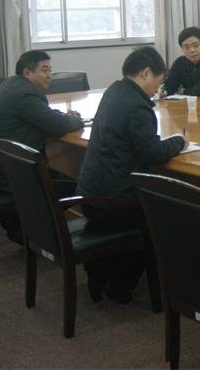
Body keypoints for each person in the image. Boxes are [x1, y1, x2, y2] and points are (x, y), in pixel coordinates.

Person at [77, 46, 186, 303]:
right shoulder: (136, 106)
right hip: (115, 199)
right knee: (162, 214)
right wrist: (179, 141)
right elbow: (153, 152)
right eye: (159, 80)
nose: (158, 88)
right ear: (146, 73)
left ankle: (101, 273)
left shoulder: (114, 92)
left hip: (89, 190)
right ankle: (121, 285)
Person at [0, 50, 85, 244]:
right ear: (27, 72)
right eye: (44, 70)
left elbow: (44, 117)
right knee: (76, 186)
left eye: (50, 70)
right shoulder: (25, 95)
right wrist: (75, 119)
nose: (49, 75)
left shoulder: (12, 86)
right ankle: (38, 235)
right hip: (3, 172)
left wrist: (59, 117)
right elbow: (58, 126)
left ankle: (19, 227)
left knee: (59, 177)